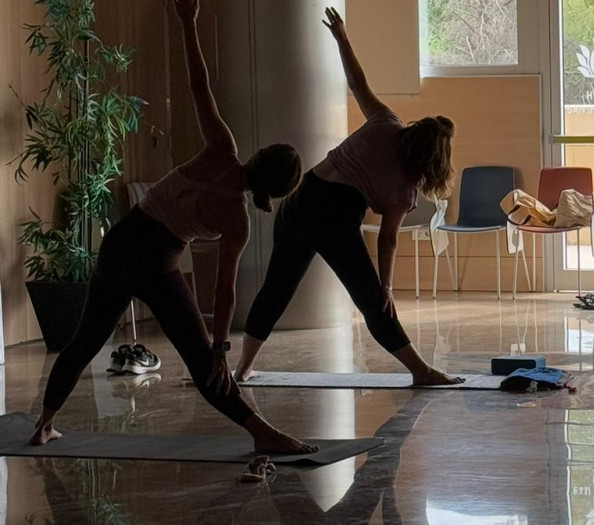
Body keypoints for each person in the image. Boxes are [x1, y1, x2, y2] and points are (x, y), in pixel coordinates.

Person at [30, 0, 314, 455]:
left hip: (123, 243)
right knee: (203, 362)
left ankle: (44, 424)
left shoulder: (221, 148)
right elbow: (223, 292)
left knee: (85, 340)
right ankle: (261, 433)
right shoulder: (237, 220)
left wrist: (188, 22)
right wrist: (221, 347)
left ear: (257, 158)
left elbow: (198, 85)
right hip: (157, 262)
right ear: (275, 193)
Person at [233, 7, 461, 386]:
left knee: (276, 288)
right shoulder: (405, 188)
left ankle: (242, 369)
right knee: (372, 299)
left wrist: (341, 38)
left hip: (300, 199)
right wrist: (386, 286)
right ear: (434, 162)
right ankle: (421, 371)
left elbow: (356, 83)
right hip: (334, 217)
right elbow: (387, 239)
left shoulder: (386, 122)